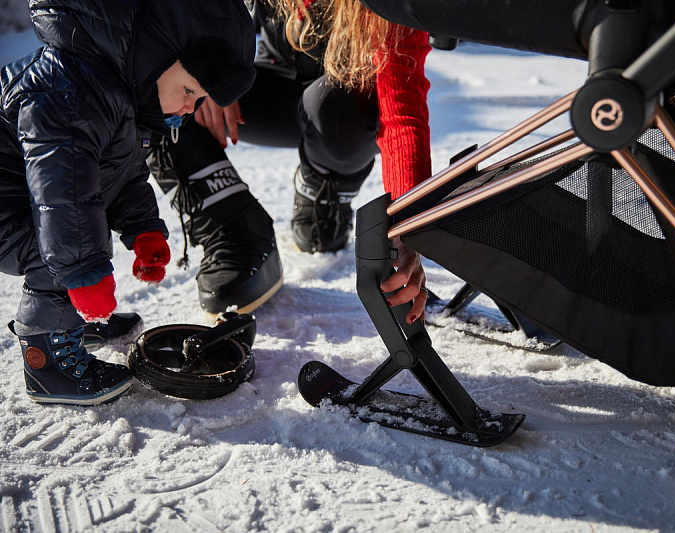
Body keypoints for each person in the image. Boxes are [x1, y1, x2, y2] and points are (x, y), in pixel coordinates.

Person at [0, 0, 257, 405]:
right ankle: (47, 363)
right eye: (189, 91)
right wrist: (83, 275)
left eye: (199, 98)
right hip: (9, 210)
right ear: (153, 56)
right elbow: (64, 199)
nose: (189, 107)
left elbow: (124, 175)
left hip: (31, 203)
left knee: (82, 232)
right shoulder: (66, 91)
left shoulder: (123, 94)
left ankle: (72, 320)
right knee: (65, 243)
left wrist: (143, 229)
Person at [147, 0, 429, 323]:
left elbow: (403, 114)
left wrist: (409, 228)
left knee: (334, 106)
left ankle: (324, 193)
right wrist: (207, 70)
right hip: (263, 81)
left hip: (342, 108)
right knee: (162, 87)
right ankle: (237, 232)